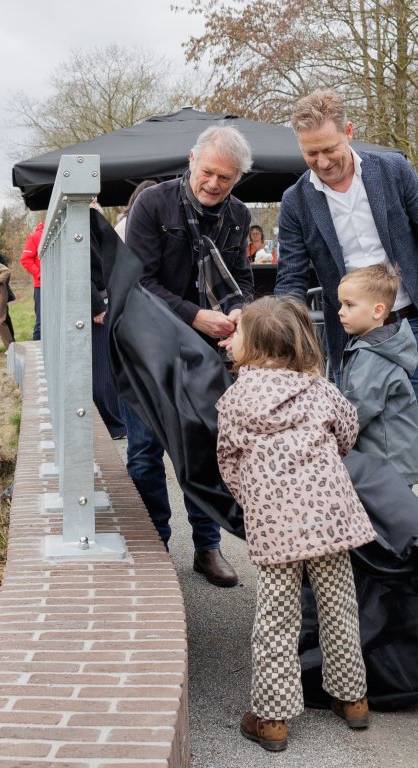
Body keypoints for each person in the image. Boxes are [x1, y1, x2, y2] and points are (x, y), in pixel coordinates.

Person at [275, 88, 418, 534]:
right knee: (361, 437)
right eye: (310, 154)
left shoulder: (392, 170)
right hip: (353, 341)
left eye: (329, 149)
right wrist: (283, 343)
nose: (322, 162)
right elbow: (291, 278)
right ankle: (388, 537)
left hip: (413, 324)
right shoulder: (296, 200)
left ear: (348, 131)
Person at [216, 296, 375, 753]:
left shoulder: (236, 400)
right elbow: (348, 431)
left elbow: (228, 461)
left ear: (253, 344)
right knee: (339, 608)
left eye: (238, 333)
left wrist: (254, 499)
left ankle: (272, 719)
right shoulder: (320, 389)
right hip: (330, 519)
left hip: (276, 526)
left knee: (276, 619)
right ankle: (353, 699)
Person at [123, 124, 255, 586]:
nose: (214, 184)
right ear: (191, 160)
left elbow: (242, 276)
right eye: (208, 172)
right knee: (145, 452)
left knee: (209, 449)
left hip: (207, 352)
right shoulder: (152, 204)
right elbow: (138, 282)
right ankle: (155, 546)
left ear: (237, 179)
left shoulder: (239, 215)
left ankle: (207, 547)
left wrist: (239, 310)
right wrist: (195, 315)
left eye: (226, 178)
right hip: (146, 345)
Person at [336, 265, 418, 485]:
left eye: (349, 305)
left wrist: (329, 435)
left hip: (388, 463)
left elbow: (358, 408)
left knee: (388, 509)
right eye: (341, 304)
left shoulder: (374, 355)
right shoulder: (370, 346)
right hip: (388, 460)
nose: (341, 311)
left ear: (377, 311)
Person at [19, 222, 44, 341]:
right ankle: (38, 347)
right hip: (41, 286)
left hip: (60, 285)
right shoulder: (35, 236)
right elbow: (25, 259)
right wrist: (40, 275)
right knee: (41, 321)